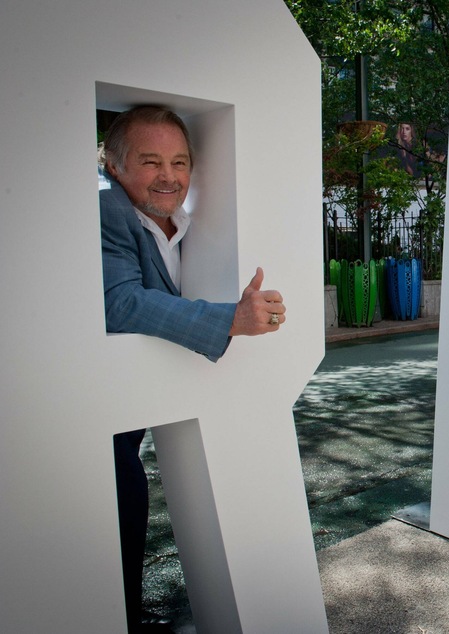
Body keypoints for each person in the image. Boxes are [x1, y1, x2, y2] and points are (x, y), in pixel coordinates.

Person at [100, 106, 286, 632]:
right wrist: (230, 319)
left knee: (127, 491)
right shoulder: (104, 207)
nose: (170, 176)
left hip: (148, 400)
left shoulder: (186, 221)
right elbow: (120, 302)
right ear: (113, 165)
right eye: (151, 161)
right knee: (117, 493)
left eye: (180, 162)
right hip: (100, 409)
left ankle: (125, 609)